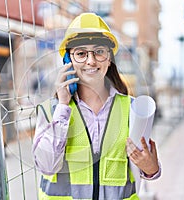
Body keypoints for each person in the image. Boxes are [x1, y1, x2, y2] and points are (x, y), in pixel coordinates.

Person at [32, 12, 161, 200]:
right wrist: (62, 106)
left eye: (99, 51)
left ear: (109, 59)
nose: (91, 61)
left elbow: (148, 170)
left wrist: (151, 168)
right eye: (81, 53)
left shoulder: (132, 109)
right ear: (69, 61)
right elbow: (46, 166)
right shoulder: (51, 111)